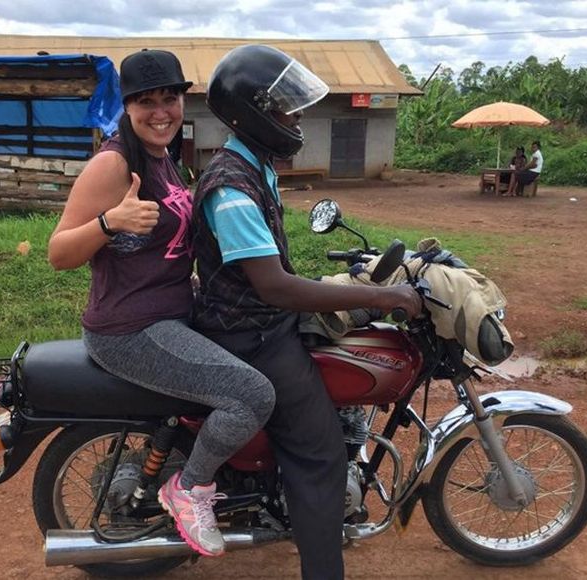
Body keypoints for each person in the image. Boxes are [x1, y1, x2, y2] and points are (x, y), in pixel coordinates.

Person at [191, 44, 422, 580]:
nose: (295, 119)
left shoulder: (254, 167)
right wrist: (378, 297)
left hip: (258, 324)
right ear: (251, 113)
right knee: (321, 456)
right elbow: (275, 287)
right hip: (252, 336)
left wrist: (354, 281)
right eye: (284, 108)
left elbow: (268, 269)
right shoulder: (232, 188)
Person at [47, 48, 276, 558]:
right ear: (126, 107)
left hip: (172, 314)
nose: (160, 111)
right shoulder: (113, 164)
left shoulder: (165, 158)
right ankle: (189, 489)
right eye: (145, 101)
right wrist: (110, 223)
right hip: (130, 329)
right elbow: (58, 253)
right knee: (251, 396)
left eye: (169, 98)